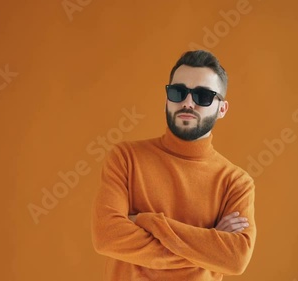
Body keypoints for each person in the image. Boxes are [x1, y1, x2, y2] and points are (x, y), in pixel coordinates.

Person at [91, 50, 256, 280]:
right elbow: (107, 236)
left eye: (203, 96)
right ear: (167, 98)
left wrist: (145, 221)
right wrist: (208, 248)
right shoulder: (125, 158)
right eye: (178, 92)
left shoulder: (236, 182)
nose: (188, 103)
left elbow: (235, 259)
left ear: (222, 109)